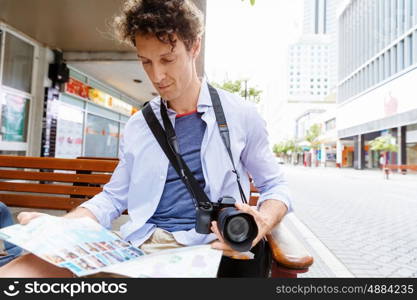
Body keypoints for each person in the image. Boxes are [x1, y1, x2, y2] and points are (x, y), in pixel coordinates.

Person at [0, 0, 290, 277]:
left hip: (205, 251)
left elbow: (275, 186)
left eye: (167, 59)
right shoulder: (139, 124)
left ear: (195, 47)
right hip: (136, 248)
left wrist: (262, 222)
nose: (157, 75)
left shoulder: (239, 114)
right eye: (146, 62)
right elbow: (113, 198)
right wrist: (60, 230)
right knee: (19, 271)